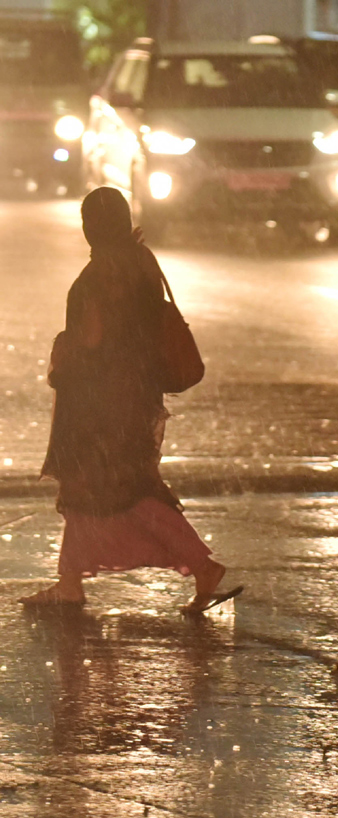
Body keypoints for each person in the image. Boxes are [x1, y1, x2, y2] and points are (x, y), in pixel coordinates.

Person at [18, 188, 239, 613]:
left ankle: (201, 565)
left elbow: (94, 339)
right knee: (93, 487)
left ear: (91, 227)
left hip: (100, 400)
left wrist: (64, 346)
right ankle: (69, 582)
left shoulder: (102, 272)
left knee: (124, 491)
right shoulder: (140, 260)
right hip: (136, 392)